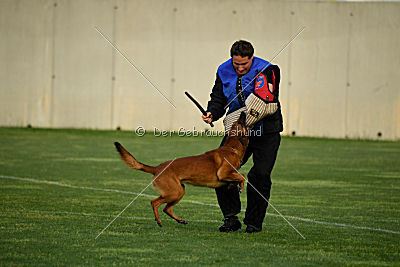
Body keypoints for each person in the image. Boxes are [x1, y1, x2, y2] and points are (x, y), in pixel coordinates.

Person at [202, 40, 283, 233]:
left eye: (244, 65)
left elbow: (266, 100)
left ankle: (254, 222)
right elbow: (219, 97)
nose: (239, 68)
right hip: (237, 134)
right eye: (236, 64)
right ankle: (231, 218)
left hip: (266, 130)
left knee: (260, 175)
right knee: (221, 170)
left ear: (251, 58)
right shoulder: (223, 70)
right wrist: (212, 112)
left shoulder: (268, 70)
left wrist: (245, 119)